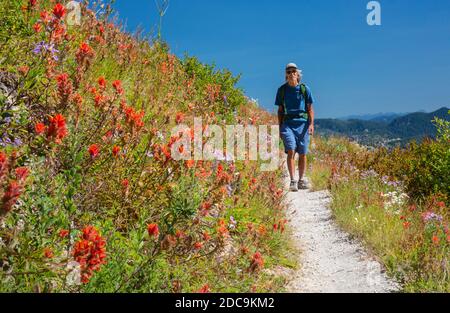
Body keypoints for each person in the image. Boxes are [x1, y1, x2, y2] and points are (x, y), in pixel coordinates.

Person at [275, 63, 315, 191]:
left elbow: (310, 109)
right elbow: (280, 110)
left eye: (293, 71)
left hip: (303, 123)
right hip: (288, 123)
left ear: (298, 74)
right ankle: (293, 180)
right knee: (291, 150)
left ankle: (301, 180)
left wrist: (311, 124)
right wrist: (280, 127)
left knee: (303, 153)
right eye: (288, 71)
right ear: (286, 75)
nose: (291, 73)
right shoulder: (282, 90)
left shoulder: (305, 89)